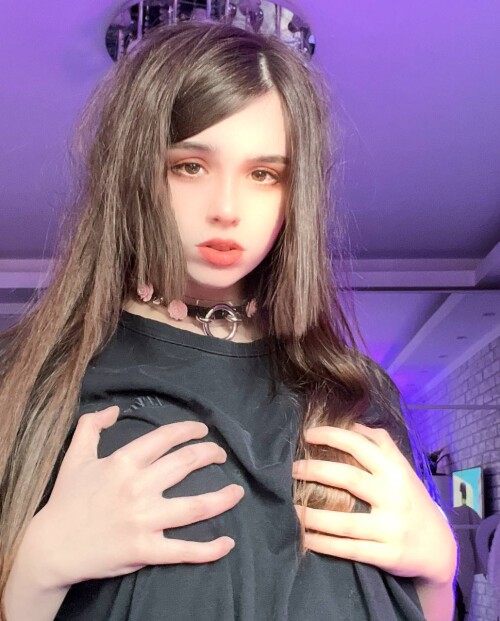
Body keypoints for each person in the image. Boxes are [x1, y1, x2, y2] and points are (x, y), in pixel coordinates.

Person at [0, 19, 457, 621]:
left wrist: (439, 572)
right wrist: (35, 575)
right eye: (190, 165)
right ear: (133, 171)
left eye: (264, 175)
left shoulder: (360, 392)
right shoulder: (31, 380)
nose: (226, 209)